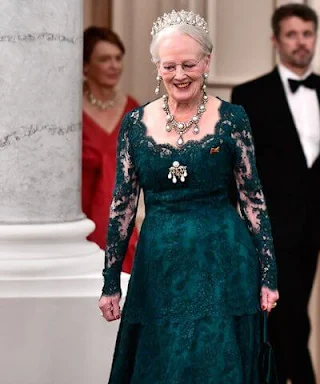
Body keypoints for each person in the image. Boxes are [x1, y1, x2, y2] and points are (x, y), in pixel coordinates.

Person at [97, 10, 279, 383]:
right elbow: (123, 206)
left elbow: (252, 200)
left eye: (188, 64)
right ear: (157, 66)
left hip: (224, 266)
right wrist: (111, 282)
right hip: (159, 268)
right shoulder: (135, 124)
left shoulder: (233, 119)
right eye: (169, 66)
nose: (179, 74)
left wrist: (269, 275)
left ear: (206, 62)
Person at [231, 4, 320, 383]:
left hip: (311, 225)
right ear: (275, 40)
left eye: (307, 34)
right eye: (291, 34)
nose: (300, 42)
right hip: (265, 226)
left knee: (293, 308)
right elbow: (238, 167)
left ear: (315, 38)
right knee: (285, 311)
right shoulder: (249, 94)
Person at [82, 26, 139, 273]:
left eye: (118, 58)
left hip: (123, 216)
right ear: (85, 66)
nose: (114, 65)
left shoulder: (133, 109)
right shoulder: (68, 112)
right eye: (105, 59)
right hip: (79, 216)